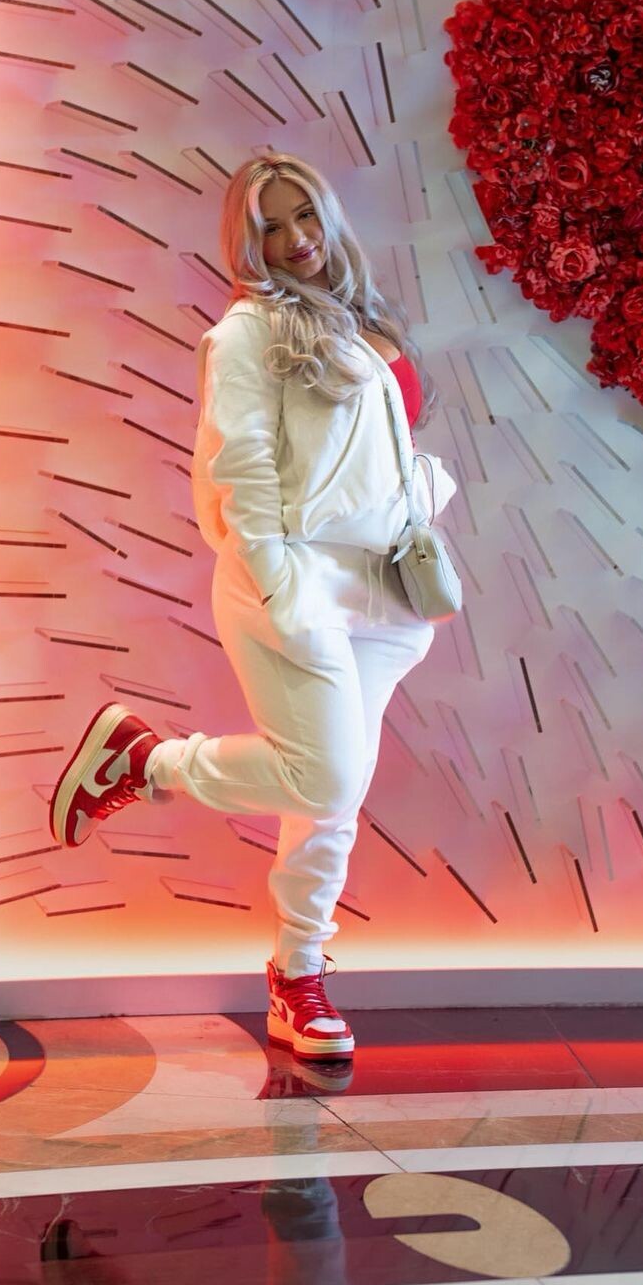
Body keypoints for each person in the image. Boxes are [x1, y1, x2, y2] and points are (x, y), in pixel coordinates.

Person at [48, 153, 458, 1063]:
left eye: (304, 214)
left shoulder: (359, 317)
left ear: (328, 214)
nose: (295, 239)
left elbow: (376, 455)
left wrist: (424, 494)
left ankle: (296, 976)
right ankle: (149, 761)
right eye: (270, 227)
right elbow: (241, 467)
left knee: (333, 797)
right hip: (297, 584)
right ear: (247, 242)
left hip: (386, 593)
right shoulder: (246, 331)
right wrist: (278, 585)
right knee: (327, 779)